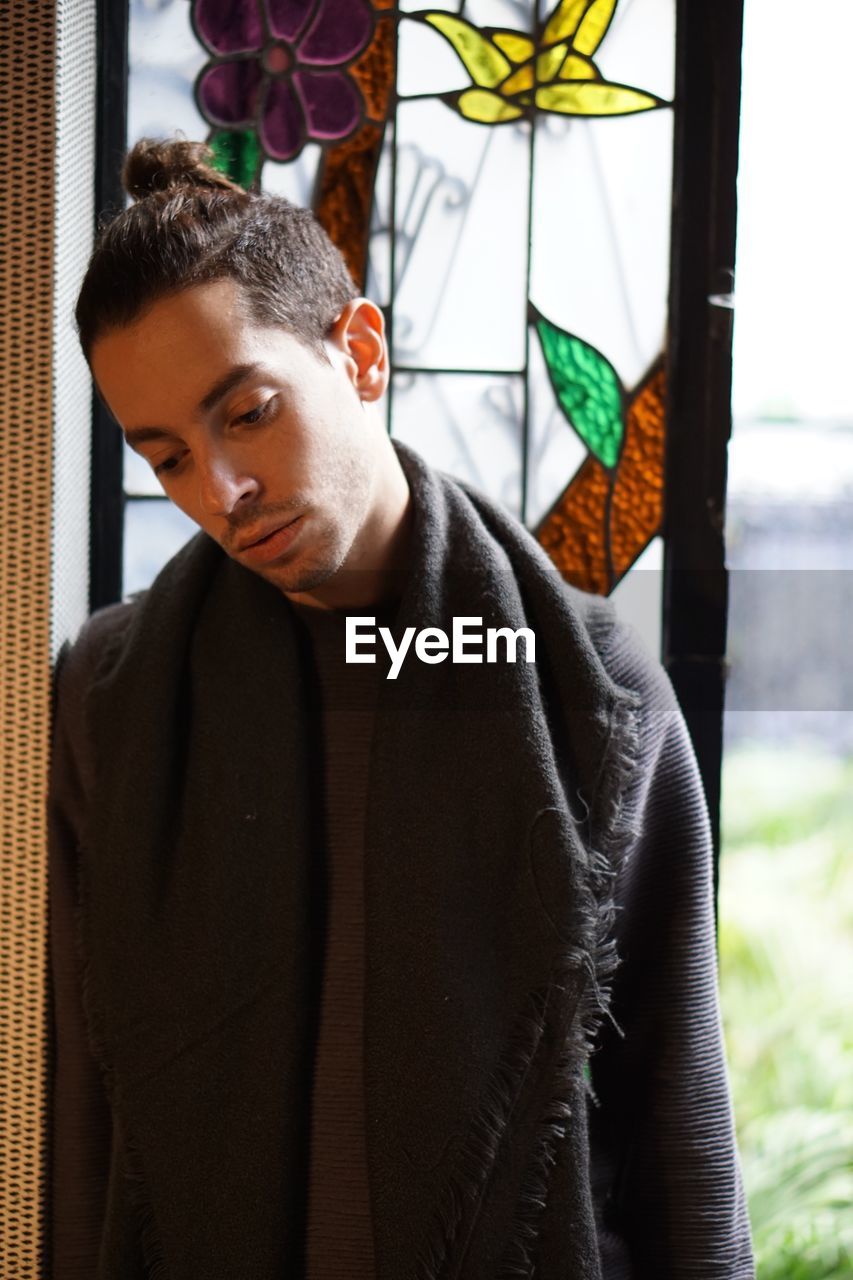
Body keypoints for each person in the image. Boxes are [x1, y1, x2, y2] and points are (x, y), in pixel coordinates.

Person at [47, 137, 755, 1280]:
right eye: (167, 455)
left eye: (251, 411)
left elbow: (676, 1119)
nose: (220, 492)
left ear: (361, 351)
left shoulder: (595, 682)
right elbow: (82, 1105)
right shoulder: (112, 696)